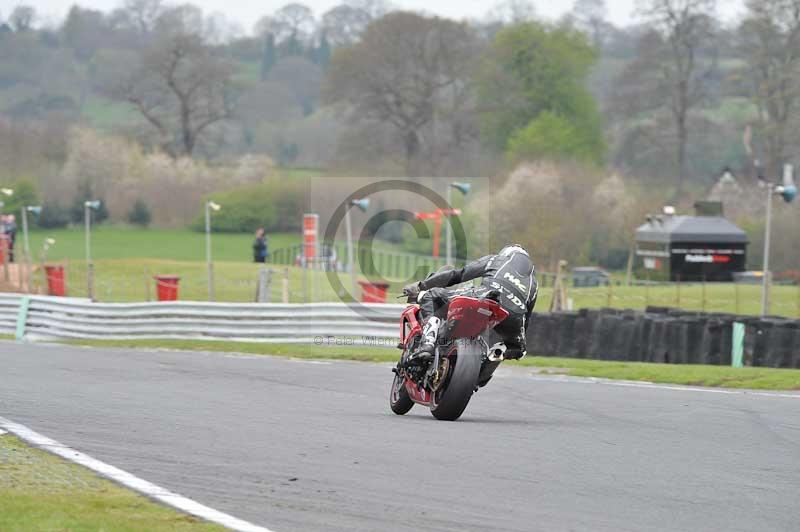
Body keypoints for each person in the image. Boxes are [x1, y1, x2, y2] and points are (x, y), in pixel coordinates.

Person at [403, 244, 538, 364]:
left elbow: (458, 275)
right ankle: (482, 372)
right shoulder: (534, 284)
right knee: (515, 349)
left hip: (485, 296)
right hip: (514, 318)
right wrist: (518, 343)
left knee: (431, 295)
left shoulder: (496, 259)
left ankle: (427, 344)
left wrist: (423, 285)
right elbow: (527, 317)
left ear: (506, 253)